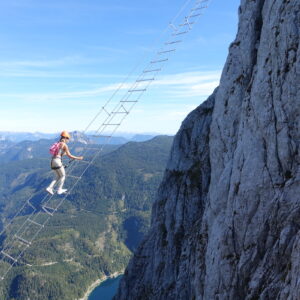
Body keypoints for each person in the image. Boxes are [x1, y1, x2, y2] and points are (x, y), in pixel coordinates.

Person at [46, 131, 83, 195]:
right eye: (68, 138)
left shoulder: (58, 143)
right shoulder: (64, 145)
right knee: (63, 176)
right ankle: (59, 190)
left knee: (58, 176)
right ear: (65, 138)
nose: (68, 140)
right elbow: (70, 155)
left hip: (52, 162)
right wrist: (78, 158)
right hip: (57, 161)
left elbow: (60, 154)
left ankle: (49, 188)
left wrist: (65, 154)